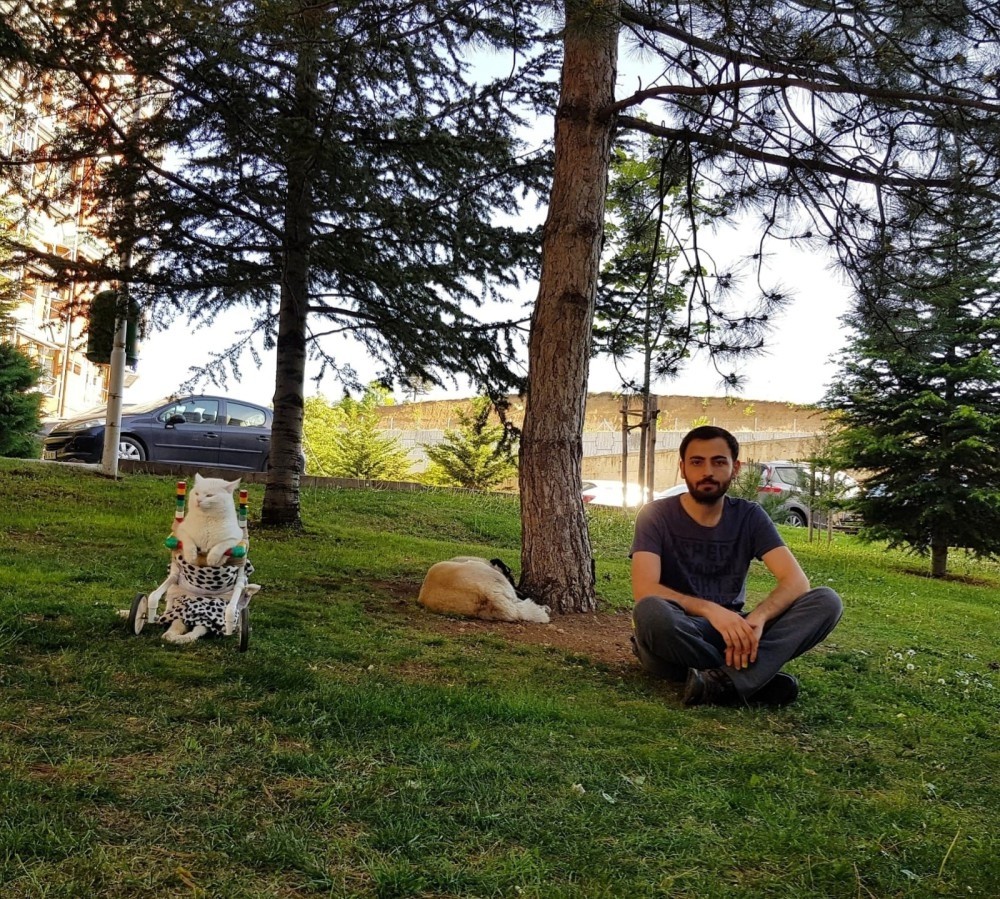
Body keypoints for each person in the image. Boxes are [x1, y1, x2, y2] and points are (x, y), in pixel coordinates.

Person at [630, 425, 843, 707]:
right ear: (682, 468)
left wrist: (758, 619)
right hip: (681, 634)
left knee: (826, 601)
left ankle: (721, 682)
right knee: (651, 611)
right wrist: (710, 610)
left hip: (736, 633)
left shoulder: (749, 516)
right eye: (697, 462)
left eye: (719, 462)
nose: (708, 471)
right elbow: (645, 589)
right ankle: (750, 679)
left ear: (735, 468)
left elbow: (796, 582)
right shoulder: (655, 514)